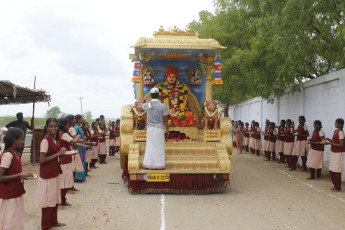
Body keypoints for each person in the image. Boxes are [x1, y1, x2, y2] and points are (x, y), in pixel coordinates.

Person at [36, 118, 66, 230]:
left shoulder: (54, 139)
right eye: (51, 126)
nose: (53, 128)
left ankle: (53, 221)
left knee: (54, 198)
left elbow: (54, 155)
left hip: (54, 172)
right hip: (47, 175)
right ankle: (45, 225)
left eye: (55, 126)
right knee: (47, 200)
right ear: (47, 127)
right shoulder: (45, 141)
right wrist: (58, 153)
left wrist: (63, 154)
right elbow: (42, 160)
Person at [0, 127, 33, 230]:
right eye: (21, 139)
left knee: (15, 218)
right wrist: (20, 175)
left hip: (16, 191)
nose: (22, 142)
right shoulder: (8, 156)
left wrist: (23, 176)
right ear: (14, 140)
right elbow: (1, 177)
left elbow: (14, 172)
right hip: (8, 194)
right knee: (9, 220)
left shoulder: (17, 154)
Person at [142, 87, 169, 170]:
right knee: (159, 146)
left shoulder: (147, 105)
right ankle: (159, 165)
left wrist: (147, 101)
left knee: (150, 146)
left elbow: (142, 106)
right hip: (159, 129)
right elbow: (165, 119)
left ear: (151, 95)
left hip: (150, 128)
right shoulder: (162, 106)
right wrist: (167, 129)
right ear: (158, 95)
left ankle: (149, 164)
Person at [58, 117, 80, 206]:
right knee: (64, 181)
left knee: (65, 180)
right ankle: (61, 200)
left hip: (65, 159)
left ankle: (62, 199)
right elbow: (74, 140)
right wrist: (78, 136)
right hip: (64, 160)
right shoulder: (62, 134)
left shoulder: (62, 133)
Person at [324, 118, 344, 192]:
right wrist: (329, 140)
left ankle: (337, 187)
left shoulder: (341, 132)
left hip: (338, 153)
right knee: (332, 169)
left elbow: (341, 145)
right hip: (334, 152)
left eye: (336, 123)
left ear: (341, 124)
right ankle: (335, 185)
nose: (335, 124)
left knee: (336, 170)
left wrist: (329, 143)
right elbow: (334, 142)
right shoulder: (335, 131)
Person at [74, 114, 86, 182]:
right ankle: (78, 177)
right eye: (81, 118)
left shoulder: (80, 127)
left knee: (82, 161)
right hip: (78, 146)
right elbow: (74, 138)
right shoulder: (76, 128)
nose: (82, 120)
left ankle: (82, 176)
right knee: (79, 161)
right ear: (78, 119)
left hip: (82, 147)